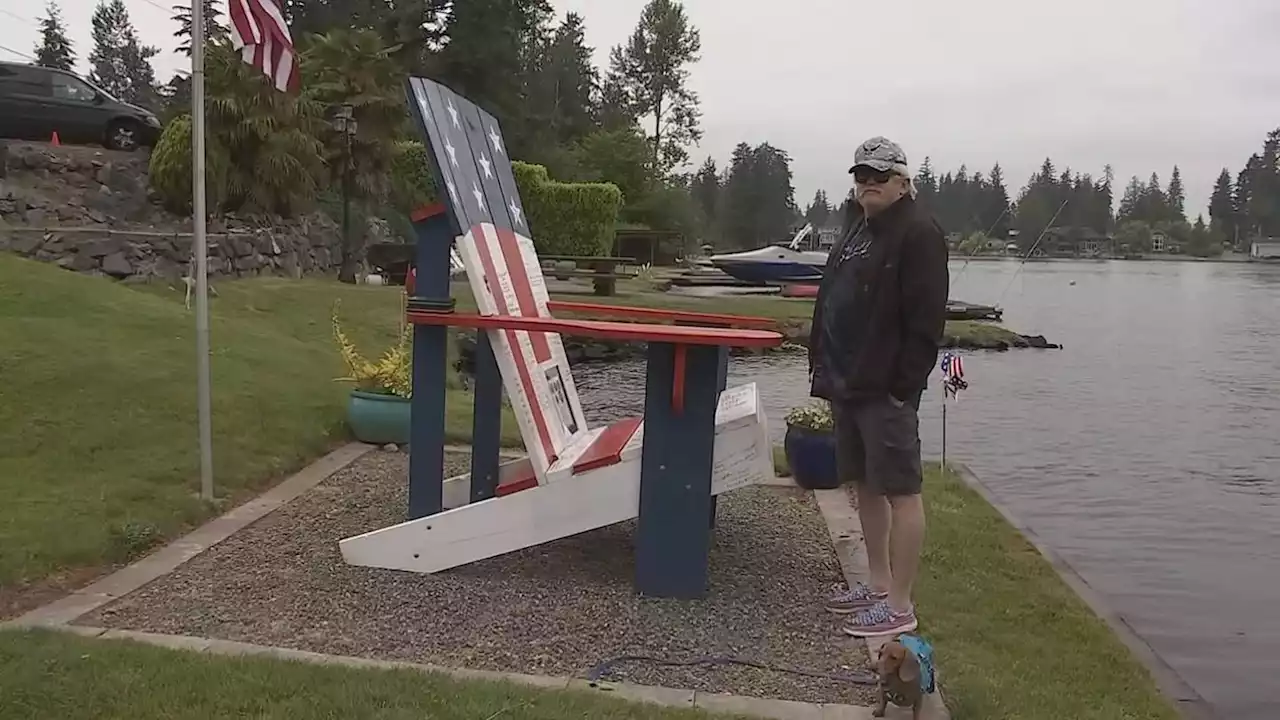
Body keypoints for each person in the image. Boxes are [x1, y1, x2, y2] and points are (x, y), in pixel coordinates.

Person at [808, 136, 949, 637]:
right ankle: (875, 583)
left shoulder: (918, 233)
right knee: (864, 485)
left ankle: (900, 605)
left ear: (903, 181)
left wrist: (901, 386)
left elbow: (926, 320)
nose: (867, 184)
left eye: (878, 176)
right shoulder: (859, 226)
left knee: (901, 491)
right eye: (861, 176)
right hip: (848, 381)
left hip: (884, 388)